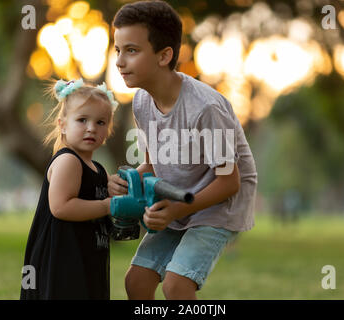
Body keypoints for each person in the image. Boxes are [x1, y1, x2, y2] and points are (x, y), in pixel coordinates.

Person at [109, 0, 257, 300]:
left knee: (177, 286)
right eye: (118, 50)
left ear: (164, 56)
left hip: (218, 204)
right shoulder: (141, 101)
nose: (120, 62)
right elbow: (154, 163)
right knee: (136, 282)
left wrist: (175, 210)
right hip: (177, 199)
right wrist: (128, 181)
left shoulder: (205, 108)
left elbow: (230, 181)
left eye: (132, 51)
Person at [20, 79, 118, 300]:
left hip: (85, 254)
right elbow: (61, 207)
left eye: (101, 122)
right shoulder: (68, 161)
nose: (92, 128)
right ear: (62, 124)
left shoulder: (98, 169)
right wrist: (107, 205)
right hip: (60, 257)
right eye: (82, 120)